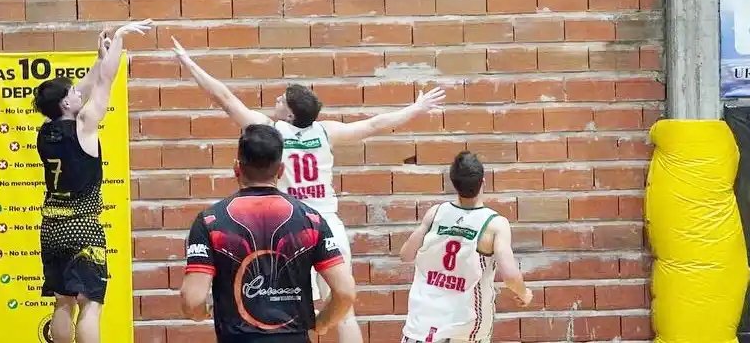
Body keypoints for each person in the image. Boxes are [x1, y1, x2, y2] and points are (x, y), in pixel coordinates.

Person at [170, 37, 445, 343]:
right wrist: (416, 108)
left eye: (280, 100)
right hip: (327, 222)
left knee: (288, 307)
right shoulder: (326, 131)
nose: (275, 101)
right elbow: (375, 125)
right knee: (345, 309)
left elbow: (225, 98)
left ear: (289, 115)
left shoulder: (272, 131)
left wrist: (190, 64)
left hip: (291, 224)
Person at [31, 19, 153, 343]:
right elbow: (104, 84)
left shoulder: (46, 132)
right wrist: (120, 40)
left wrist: (98, 59)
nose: (78, 93)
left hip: (52, 228)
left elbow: (84, 88)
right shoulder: (84, 125)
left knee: (62, 301)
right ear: (67, 104)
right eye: (72, 93)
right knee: (90, 305)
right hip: (82, 227)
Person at [179, 123, 358, 343]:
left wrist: (201, 313)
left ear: (237, 168)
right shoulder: (311, 219)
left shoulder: (210, 221)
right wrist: (321, 323)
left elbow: (192, 300)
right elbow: (346, 292)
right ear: (281, 170)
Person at [398, 151, 533, 343]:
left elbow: (406, 254)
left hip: (421, 324)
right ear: (482, 182)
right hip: (465, 328)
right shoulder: (494, 224)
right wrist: (524, 294)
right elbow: (511, 276)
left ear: (454, 183)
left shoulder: (435, 213)